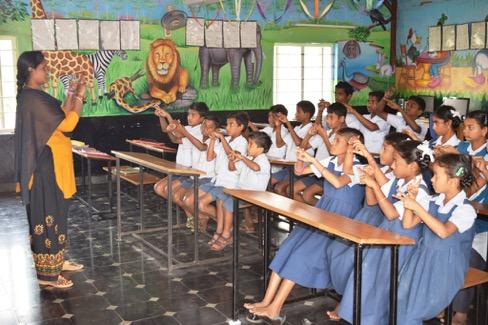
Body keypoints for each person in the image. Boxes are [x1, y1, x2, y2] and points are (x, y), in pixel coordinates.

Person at [244, 128, 365, 324]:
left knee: (301, 257)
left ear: (351, 144)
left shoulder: (359, 168)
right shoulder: (331, 162)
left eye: (337, 141)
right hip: (323, 212)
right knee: (287, 249)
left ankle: (275, 308)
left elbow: (339, 182)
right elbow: (299, 171)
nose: (332, 143)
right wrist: (301, 157)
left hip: (341, 220)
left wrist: (314, 160)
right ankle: (267, 301)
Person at [337, 140, 432, 324]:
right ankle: (359, 317)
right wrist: (369, 165)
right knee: (368, 277)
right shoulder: (404, 181)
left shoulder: (419, 191)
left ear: (412, 166)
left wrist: (373, 186)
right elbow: (384, 182)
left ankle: (372, 319)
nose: (393, 165)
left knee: (381, 284)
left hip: (401, 243)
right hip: (389, 237)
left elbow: (391, 213)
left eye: (397, 162)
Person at [14, 51, 86, 288]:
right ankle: (49, 276)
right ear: (30, 70)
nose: (48, 71)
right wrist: (81, 97)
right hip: (44, 169)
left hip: (51, 166)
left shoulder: (35, 96)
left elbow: (61, 116)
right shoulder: (32, 98)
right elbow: (69, 123)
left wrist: (73, 94)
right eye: (44, 68)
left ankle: (58, 260)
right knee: (47, 220)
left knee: (57, 217)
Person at [326, 132, 413, 297]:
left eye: (385, 149)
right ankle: (344, 291)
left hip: (381, 220)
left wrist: (371, 174)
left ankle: (350, 297)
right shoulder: (384, 170)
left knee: (354, 257)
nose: (381, 152)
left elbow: (387, 203)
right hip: (369, 214)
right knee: (336, 248)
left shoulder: (398, 177)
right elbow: (371, 201)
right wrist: (368, 182)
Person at [396, 154, 476, 325]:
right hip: (423, 258)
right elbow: (408, 224)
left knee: (414, 309)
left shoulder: (465, 209)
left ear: (453, 181)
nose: (431, 180)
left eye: (436, 176)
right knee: (400, 299)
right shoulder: (434, 201)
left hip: (446, 265)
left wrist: (417, 207)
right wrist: (410, 202)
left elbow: (444, 232)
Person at [183, 112, 249, 231]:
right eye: (227, 124)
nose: (227, 127)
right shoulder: (227, 139)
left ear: (241, 127)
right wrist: (213, 140)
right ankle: (222, 224)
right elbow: (209, 157)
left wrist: (222, 138)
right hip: (218, 181)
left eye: (231, 125)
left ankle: (227, 227)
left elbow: (231, 154)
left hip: (230, 183)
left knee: (201, 204)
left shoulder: (242, 142)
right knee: (193, 201)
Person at [209, 131, 271, 251]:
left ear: (260, 149)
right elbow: (232, 169)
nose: (248, 146)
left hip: (254, 195)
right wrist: (232, 159)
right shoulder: (248, 158)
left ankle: (227, 234)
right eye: (248, 143)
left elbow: (256, 167)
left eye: (251, 144)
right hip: (242, 192)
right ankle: (220, 229)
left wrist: (241, 157)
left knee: (228, 204)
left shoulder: (262, 160)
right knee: (221, 198)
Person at [293, 102, 348, 205]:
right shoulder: (326, 133)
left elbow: (334, 153)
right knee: (293, 190)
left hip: (331, 175)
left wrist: (324, 136)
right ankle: (307, 218)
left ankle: (322, 215)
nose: (327, 120)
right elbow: (302, 147)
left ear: (341, 119)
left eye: (331, 117)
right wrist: (309, 135)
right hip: (316, 172)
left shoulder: (345, 136)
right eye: (327, 117)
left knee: (307, 194)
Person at [172, 116, 220, 231]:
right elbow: (175, 139)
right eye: (204, 125)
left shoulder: (215, 142)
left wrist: (184, 132)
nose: (206, 129)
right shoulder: (197, 137)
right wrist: (172, 129)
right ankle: (199, 217)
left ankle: (225, 224)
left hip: (207, 177)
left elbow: (201, 147)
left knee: (188, 200)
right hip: (194, 176)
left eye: (210, 127)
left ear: (216, 130)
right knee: (177, 197)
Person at [153, 102, 208, 199]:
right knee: (158, 188)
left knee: (171, 192)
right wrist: (162, 117)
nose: (189, 117)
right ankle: (189, 212)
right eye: (189, 114)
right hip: (179, 169)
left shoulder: (201, 131)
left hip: (190, 172)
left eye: (193, 115)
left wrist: (169, 117)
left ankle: (191, 213)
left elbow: (178, 133)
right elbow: (171, 134)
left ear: (202, 119)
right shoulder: (187, 128)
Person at [271, 101, 315, 196]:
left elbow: (299, 143)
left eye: (298, 112)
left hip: (301, 168)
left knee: (279, 188)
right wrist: (278, 126)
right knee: (268, 182)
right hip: (289, 167)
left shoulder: (312, 129)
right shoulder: (297, 128)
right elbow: (280, 144)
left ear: (307, 114)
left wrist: (288, 123)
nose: (295, 114)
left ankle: (283, 210)